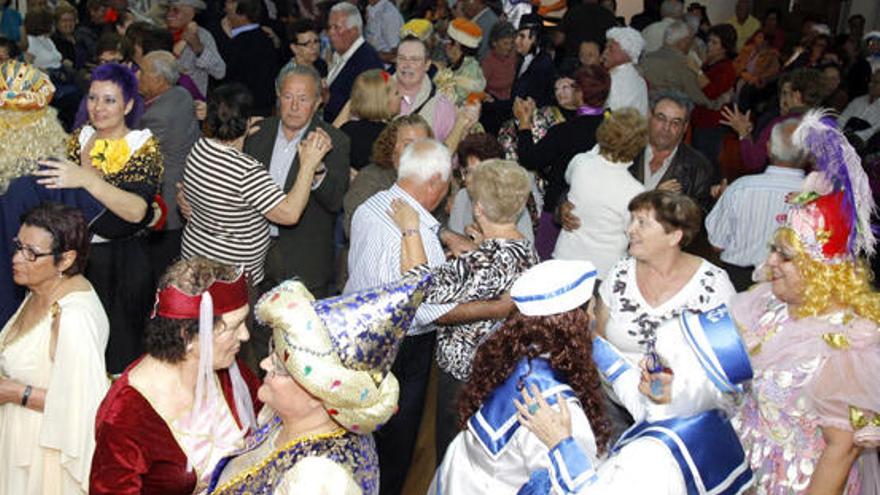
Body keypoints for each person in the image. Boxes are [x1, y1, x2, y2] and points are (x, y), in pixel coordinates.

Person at [346, 138, 511, 495]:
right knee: (397, 438)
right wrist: (499, 307)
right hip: (402, 348)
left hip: (358, 331)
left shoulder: (369, 206)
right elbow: (435, 309)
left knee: (361, 426)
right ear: (436, 183)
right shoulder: (417, 237)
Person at [730, 110, 880, 493]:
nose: (769, 264)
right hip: (746, 469)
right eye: (773, 251)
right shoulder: (768, 308)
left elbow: (841, 451)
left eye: (785, 256)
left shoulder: (848, 343)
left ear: (821, 269)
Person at [208, 270, 431, 494]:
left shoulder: (316, 479)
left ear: (320, 395)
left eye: (279, 366)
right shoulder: (290, 417)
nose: (264, 364)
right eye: (272, 351)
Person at [516, 303, 755, 494]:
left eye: (657, 361)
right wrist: (591, 339)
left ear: (687, 385)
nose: (643, 362)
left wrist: (559, 442)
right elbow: (627, 379)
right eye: (651, 352)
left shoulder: (651, 457)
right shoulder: (704, 415)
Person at [390, 158, 539, 463]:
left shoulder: (484, 262)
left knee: (454, 457)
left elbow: (419, 288)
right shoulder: (525, 249)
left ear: (479, 208)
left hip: (465, 376)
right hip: (497, 372)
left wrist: (410, 229)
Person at [429, 259, 611, 493]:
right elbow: (572, 484)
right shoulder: (557, 411)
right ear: (575, 322)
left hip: (460, 478)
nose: (595, 319)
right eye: (592, 309)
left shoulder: (510, 356)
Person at [90, 257, 261, 495]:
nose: (245, 336)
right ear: (188, 335)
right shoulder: (126, 414)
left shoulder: (230, 372)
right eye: (234, 326)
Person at [34, 63, 163, 375]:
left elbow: (137, 211)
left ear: (128, 104)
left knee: (119, 357)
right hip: (79, 260)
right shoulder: (80, 137)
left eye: (109, 100)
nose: (98, 107)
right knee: (77, 354)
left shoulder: (142, 145)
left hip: (122, 264)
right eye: (93, 98)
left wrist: (87, 179)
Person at [596, 190, 735, 431]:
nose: (630, 230)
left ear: (674, 236)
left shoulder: (713, 285)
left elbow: (727, 366)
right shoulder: (620, 273)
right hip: (614, 411)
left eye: (642, 223)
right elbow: (598, 337)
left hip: (681, 419)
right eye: (632, 221)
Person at [0, 203, 109, 495]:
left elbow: (86, 405)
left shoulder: (73, 317)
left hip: (47, 459)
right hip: (22, 440)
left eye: (31, 253)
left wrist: (14, 393)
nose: (17, 258)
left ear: (65, 259)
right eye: (18, 246)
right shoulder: (41, 289)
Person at [244, 64, 350, 298]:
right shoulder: (256, 133)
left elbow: (335, 202)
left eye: (302, 99)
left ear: (317, 102)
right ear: (278, 97)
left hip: (304, 262)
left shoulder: (334, 140)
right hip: (252, 255)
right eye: (288, 97)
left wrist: (317, 168)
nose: (293, 107)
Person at [514, 64, 610, 259]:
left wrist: (524, 121)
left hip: (559, 210)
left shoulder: (565, 131)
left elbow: (530, 159)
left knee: (547, 267)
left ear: (580, 93)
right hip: (599, 213)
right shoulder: (613, 128)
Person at [705, 119, 806, 291]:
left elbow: (717, 243)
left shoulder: (740, 188)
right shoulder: (820, 197)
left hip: (738, 283)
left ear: (768, 148)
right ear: (807, 154)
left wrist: (720, 201)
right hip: (795, 287)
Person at [553, 108, 647, 279]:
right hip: (604, 269)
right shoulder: (636, 191)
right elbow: (634, 233)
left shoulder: (581, 163)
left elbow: (569, 177)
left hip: (565, 257)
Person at [137, 50, 200, 280]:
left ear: (159, 80)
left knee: (162, 272)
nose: (137, 75)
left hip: (169, 205)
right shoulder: (181, 94)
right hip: (187, 191)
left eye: (142, 72)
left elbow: (138, 157)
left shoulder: (157, 117)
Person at [343, 114, 434, 238]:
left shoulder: (433, 181)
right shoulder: (371, 178)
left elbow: (438, 225)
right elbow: (353, 228)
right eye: (408, 145)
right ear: (391, 147)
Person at [447, 132, 537, 243]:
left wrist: (484, 243)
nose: (476, 179)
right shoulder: (462, 197)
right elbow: (456, 241)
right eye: (470, 172)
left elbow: (524, 248)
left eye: (483, 172)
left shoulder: (509, 202)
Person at [324, 2, 383, 124]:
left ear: (354, 31)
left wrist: (328, 97)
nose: (330, 33)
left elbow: (366, 109)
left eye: (336, 27)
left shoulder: (367, 61)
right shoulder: (342, 54)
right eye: (329, 27)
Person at [394, 36, 460, 143]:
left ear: (427, 65)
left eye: (415, 59)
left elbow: (449, 155)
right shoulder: (377, 94)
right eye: (402, 58)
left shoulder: (442, 107)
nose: (407, 65)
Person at [219, 0, 279, 117]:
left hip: (240, 110)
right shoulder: (268, 39)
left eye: (231, 12)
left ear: (242, 15)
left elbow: (223, 75)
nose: (227, 14)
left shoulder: (237, 44)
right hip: (264, 108)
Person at [690, 23, 737, 167]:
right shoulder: (710, 62)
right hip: (699, 119)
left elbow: (711, 91)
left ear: (724, 47)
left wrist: (697, 71)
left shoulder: (726, 68)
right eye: (709, 41)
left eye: (714, 42)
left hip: (712, 123)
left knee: (707, 162)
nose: (709, 45)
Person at [338, 69, 401, 172]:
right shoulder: (393, 136)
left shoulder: (347, 130)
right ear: (382, 100)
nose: (401, 96)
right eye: (396, 93)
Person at [165, 0, 226, 97]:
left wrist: (198, 47)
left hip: (191, 105)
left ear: (191, 14)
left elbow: (220, 72)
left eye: (176, 10)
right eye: (168, 9)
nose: (169, 14)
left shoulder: (203, 36)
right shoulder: (158, 34)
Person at [434, 18, 486, 106]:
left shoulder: (470, 71)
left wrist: (440, 72)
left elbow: (450, 101)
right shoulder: (462, 64)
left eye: (448, 41)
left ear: (457, 45)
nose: (446, 45)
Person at [511, 14, 556, 109]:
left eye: (522, 36)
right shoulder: (524, 59)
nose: (516, 40)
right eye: (517, 35)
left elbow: (532, 102)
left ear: (535, 38)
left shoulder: (543, 64)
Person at [603, 27, 648, 116]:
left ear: (627, 52)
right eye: (606, 48)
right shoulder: (639, 79)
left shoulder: (615, 80)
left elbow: (610, 113)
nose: (605, 53)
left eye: (611, 49)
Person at [481, 21, 517, 102]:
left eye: (511, 43)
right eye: (505, 43)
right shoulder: (488, 63)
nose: (509, 47)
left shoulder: (513, 56)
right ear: (494, 43)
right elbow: (479, 89)